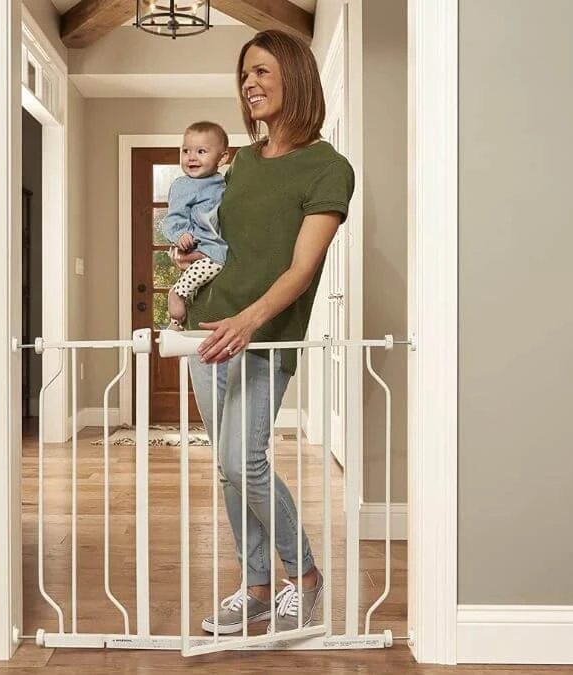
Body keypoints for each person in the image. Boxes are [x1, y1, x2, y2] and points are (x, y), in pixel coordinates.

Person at [172, 29, 354, 635]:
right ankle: (254, 587)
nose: (249, 83)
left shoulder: (329, 168)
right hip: (209, 331)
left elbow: (301, 268)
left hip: (263, 335)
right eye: (245, 74)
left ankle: (303, 579)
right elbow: (230, 249)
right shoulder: (241, 163)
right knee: (225, 468)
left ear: (296, 78)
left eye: (262, 72)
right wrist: (187, 255)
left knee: (243, 459)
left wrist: (249, 322)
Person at [159, 121, 232, 331]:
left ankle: (176, 322)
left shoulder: (222, 182)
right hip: (203, 246)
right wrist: (180, 234)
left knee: (202, 280)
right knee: (211, 265)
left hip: (214, 245)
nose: (191, 157)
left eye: (201, 151)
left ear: (223, 157)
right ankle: (176, 295)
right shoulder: (184, 185)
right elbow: (173, 218)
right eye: (186, 151)